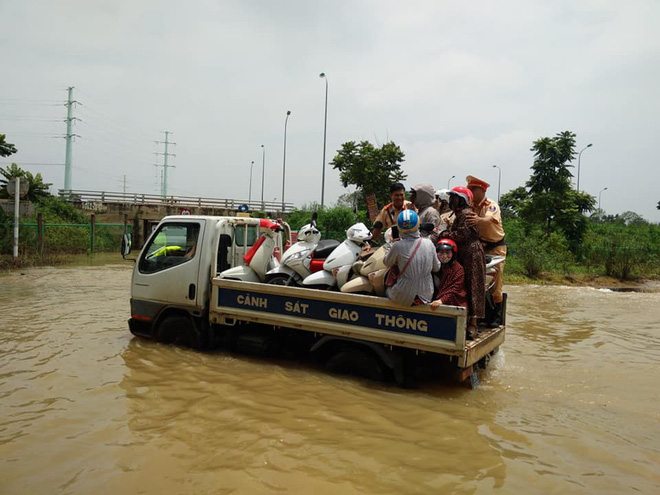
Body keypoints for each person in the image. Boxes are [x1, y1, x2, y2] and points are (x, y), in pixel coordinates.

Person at [441, 186, 485, 337]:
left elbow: (462, 234)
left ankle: (473, 324)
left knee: (473, 286)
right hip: (464, 253)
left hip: (472, 254)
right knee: (463, 284)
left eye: (454, 197)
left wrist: (445, 233)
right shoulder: (460, 213)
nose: (451, 200)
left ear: (462, 199)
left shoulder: (466, 214)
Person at [465, 175, 506, 326]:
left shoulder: (491, 205)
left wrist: (477, 221)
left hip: (496, 248)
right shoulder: (470, 207)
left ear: (482, 190)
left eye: (472, 189)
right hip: (479, 248)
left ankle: (496, 316)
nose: (470, 192)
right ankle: (479, 314)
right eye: (468, 189)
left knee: (496, 283)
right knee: (477, 282)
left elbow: (488, 220)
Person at [382, 210, 440, 307]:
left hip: (402, 296)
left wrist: (391, 244)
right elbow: (436, 268)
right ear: (418, 224)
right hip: (425, 296)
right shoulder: (429, 243)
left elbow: (387, 262)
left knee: (386, 289)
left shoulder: (397, 246)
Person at [430, 238, 467, 310]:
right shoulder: (433, 266)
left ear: (453, 253)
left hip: (454, 304)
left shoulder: (458, 269)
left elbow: (455, 289)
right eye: (441, 253)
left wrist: (441, 300)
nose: (444, 256)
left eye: (447, 253)